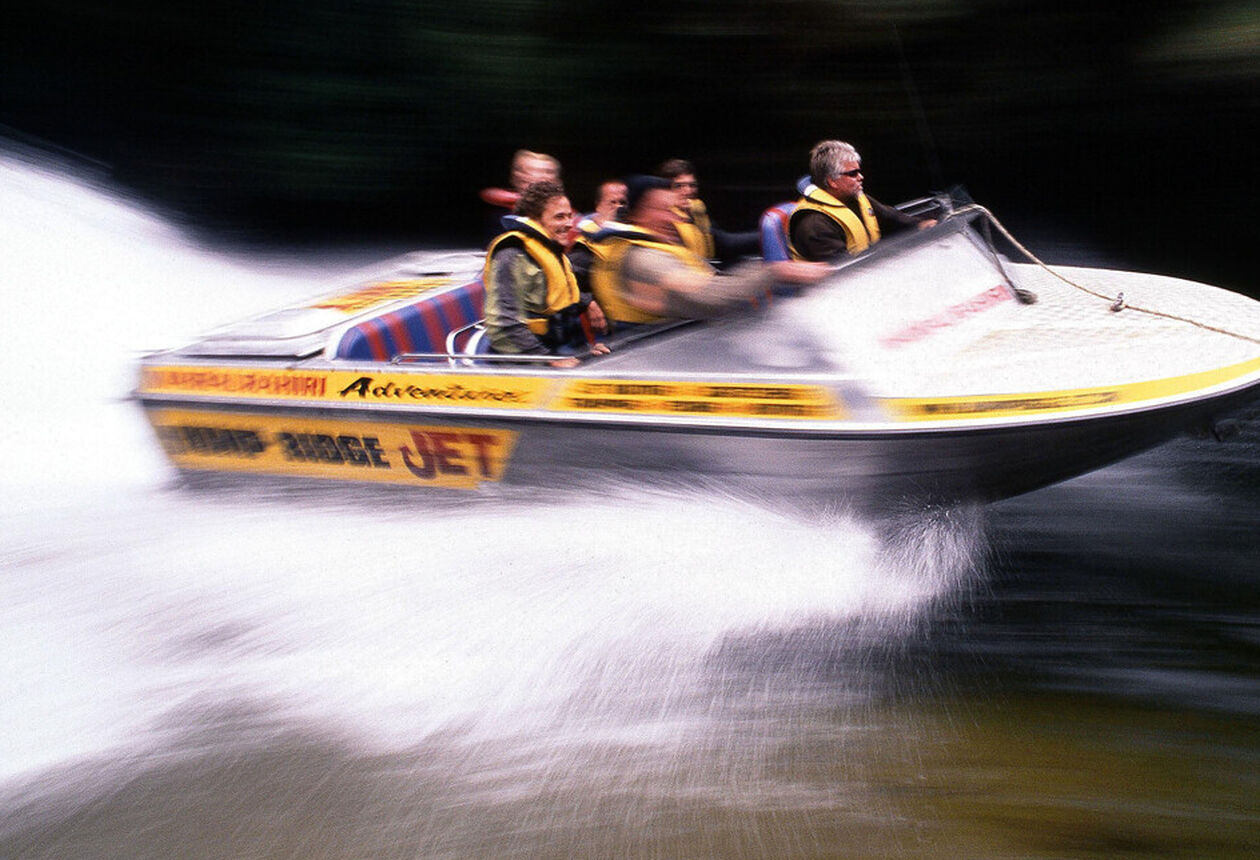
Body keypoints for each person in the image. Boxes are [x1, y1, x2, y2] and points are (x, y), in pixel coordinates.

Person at [589, 175, 826, 327]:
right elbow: (710, 297)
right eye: (661, 210)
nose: (673, 219)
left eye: (673, 210)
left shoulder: (658, 247)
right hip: (649, 358)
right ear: (635, 216)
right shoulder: (642, 260)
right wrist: (776, 271)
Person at [483, 181, 609, 367]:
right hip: (527, 365)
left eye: (569, 216)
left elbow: (559, 294)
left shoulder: (553, 251)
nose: (569, 224)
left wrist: (587, 303)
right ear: (534, 219)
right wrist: (549, 359)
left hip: (562, 351)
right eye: (559, 217)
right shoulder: (512, 255)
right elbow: (503, 323)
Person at [788, 140, 936, 262]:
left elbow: (893, 218)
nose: (861, 177)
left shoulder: (856, 197)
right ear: (832, 181)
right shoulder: (814, 224)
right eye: (853, 173)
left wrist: (922, 224)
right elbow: (841, 272)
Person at [656, 158, 760, 265]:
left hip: (704, 269)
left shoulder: (696, 212)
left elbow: (725, 243)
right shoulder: (662, 221)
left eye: (692, 185)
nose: (688, 191)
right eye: (678, 186)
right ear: (664, 190)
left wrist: (765, 234)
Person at [479, 150, 561, 239]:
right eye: (530, 170)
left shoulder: (564, 212)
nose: (538, 175)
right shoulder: (499, 208)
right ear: (515, 177)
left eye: (548, 171)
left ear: (557, 181)